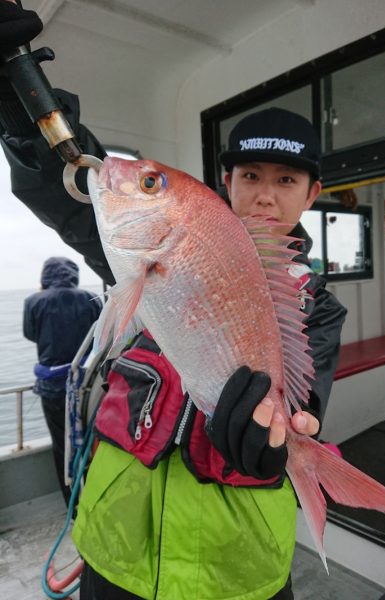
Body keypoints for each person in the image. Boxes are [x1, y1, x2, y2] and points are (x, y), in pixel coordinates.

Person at [0, 3, 347, 598]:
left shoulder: (319, 305)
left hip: (232, 568)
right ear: (226, 179)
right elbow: (75, 183)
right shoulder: (162, 242)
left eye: (287, 181)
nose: (266, 196)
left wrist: (269, 449)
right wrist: (22, 107)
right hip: (115, 550)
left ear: (313, 192)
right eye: (251, 176)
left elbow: (302, 401)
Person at [23, 256, 103, 504]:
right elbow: (100, 336)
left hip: (54, 388)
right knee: (95, 441)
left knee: (62, 446)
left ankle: (73, 502)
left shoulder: (33, 301)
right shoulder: (91, 298)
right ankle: (97, 496)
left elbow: (30, 334)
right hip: (88, 385)